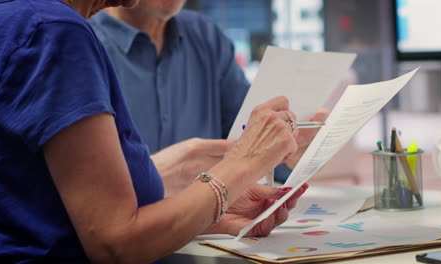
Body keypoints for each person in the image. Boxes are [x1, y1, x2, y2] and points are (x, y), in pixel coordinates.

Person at [0, 0, 308, 263]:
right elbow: (115, 244)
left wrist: (210, 212)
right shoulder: (53, 29)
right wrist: (242, 163)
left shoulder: (12, 20)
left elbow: (55, 217)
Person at [89, 1, 326, 191]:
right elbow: (67, 190)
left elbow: (245, 138)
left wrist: (287, 153)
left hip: (204, 232)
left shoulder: (204, 35)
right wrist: (149, 176)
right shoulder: (80, 43)